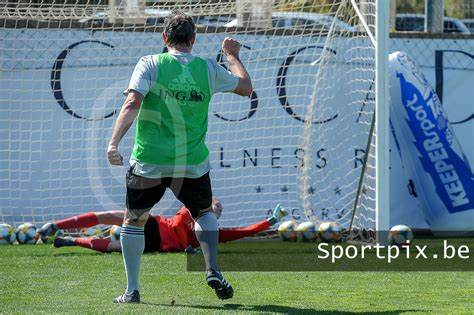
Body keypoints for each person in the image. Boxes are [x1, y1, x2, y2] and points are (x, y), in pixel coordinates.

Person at [106, 10, 252, 303]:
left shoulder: (150, 63)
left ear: (164, 38)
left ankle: (132, 290)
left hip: (150, 160)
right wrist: (232, 55)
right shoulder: (208, 68)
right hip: (192, 163)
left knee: (134, 221)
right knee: (203, 214)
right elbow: (246, 88)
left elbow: (132, 102)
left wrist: (113, 143)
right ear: (193, 39)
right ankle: (212, 269)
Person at [38, 202, 287, 254]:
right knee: (109, 215)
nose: (215, 214)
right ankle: (56, 225)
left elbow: (243, 232)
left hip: (156, 244)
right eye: (213, 209)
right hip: (153, 223)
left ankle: (70, 241)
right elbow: (180, 221)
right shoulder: (187, 211)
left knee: (117, 247)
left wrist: (271, 222)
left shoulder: (212, 234)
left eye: (218, 213)